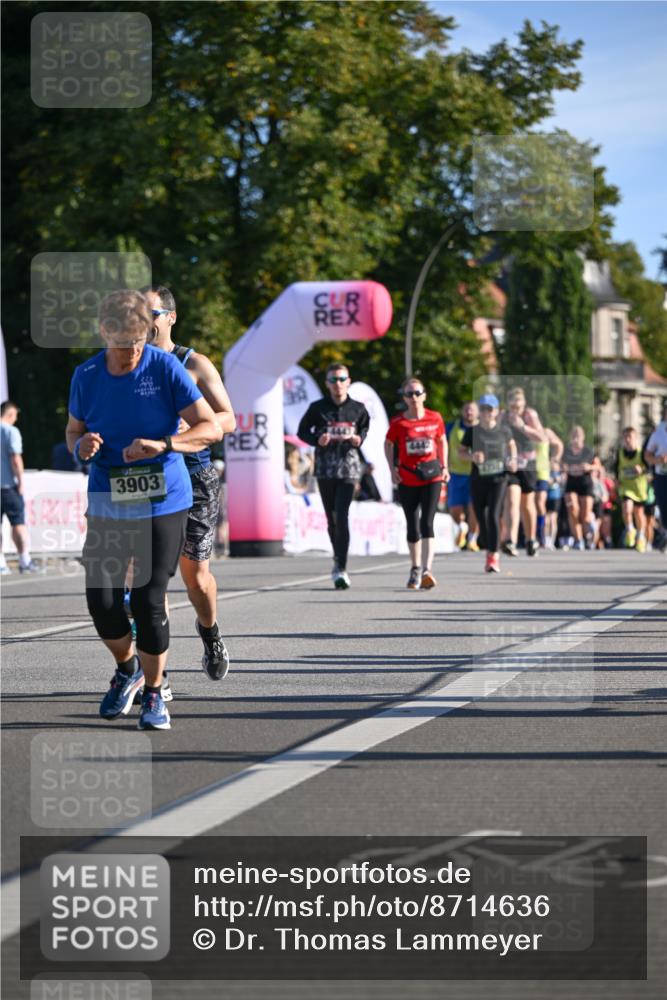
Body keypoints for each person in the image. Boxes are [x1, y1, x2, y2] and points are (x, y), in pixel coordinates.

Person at [65, 289, 221, 731]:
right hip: (109, 496)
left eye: (140, 340)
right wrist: (82, 445)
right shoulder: (87, 375)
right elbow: (73, 429)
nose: (134, 351)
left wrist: (167, 443)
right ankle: (128, 668)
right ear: (104, 332)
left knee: (151, 599)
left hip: (164, 495)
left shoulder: (166, 367)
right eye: (125, 342)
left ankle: (155, 694)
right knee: (102, 600)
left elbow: (210, 426)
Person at [142, 285, 235, 682]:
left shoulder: (193, 362)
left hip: (194, 475)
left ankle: (209, 631)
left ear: (171, 318)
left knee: (194, 576)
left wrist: (194, 426)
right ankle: (154, 675)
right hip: (147, 478)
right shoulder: (129, 365)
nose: (145, 322)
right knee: (150, 576)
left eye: (153, 314)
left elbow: (228, 417)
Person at [297, 363, 370, 589]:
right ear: (327, 384)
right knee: (331, 518)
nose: (337, 384)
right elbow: (302, 432)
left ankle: (341, 567)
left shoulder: (358, 408)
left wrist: (359, 439)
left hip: (348, 469)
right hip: (326, 469)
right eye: (333, 380)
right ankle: (338, 560)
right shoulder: (317, 408)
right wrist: (316, 440)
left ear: (348, 381)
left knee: (342, 515)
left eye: (341, 379)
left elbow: (364, 430)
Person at [384, 377, 448, 590]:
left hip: (432, 475)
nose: (414, 397)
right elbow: (388, 443)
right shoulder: (399, 423)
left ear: (424, 395)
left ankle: (428, 570)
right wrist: (391, 468)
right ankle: (415, 568)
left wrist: (444, 466)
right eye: (409, 394)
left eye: (417, 393)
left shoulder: (435, 418)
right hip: (407, 477)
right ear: (404, 398)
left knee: (427, 522)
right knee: (412, 525)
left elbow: (441, 441)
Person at [460, 394, 517, 573]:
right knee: (480, 516)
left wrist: (513, 460)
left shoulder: (504, 430)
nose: (486, 413)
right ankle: (489, 546)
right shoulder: (473, 431)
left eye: (489, 409)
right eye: (483, 409)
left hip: (499, 479)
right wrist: (471, 457)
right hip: (478, 479)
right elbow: (460, 452)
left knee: (493, 514)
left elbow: (512, 446)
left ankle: (493, 557)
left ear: (496, 412)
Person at [500, 387, 545, 558]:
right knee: (511, 500)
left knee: (527, 504)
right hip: (510, 464)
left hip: (527, 463)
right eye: (512, 407)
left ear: (524, 404)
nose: (515, 410)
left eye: (518, 407)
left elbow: (541, 437)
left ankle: (530, 539)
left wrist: (523, 426)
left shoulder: (529, 415)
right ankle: (510, 540)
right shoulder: (503, 416)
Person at [0, 400, 43, 574]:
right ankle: (25, 561)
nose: (15, 420)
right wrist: (21, 482)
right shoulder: (11, 431)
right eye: (15, 416)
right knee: (18, 523)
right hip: (9, 486)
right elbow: (15, 459)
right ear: (10, 414)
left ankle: (1, 564)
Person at [446, 401, 480, 551]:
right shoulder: (452, 427)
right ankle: (462, 526)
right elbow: (443, 445)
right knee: (455, 510)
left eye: (472, 410)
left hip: (476, 474)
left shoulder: (483, 428)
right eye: (466, 409)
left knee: (474, 508)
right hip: (456, 473)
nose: (469, 412)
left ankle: (472, 539)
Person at [615, 426, 649, 551]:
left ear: (635, 438)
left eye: (630, 437)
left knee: (639, 514)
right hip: (625, 487)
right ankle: (630, 529)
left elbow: (649, 467)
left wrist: (642, 470)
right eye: (625, 437)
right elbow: (616, 468)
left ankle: (641, 537)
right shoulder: (620, 453)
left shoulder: (641, 453)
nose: (627, 440)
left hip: (639, 488)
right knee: (626, 508)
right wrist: (616, 480)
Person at [562, 425, 596, 551]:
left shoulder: (588, 451)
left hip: (585, 483)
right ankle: (578, 539)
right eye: (573, 436)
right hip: (571, 483)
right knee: (572, 509)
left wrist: (589, 467)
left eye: (578, 436)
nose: (576, 439)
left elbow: (598, 466)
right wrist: (562, 468)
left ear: (583, 437)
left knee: (585, 515)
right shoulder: (566, 452)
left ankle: (590, 527)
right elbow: (560, 464)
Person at [534, 428, 563, 547]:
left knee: (550, 515)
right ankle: (540, 537)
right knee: (536, 508)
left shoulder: (544, 432)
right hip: (534, 475)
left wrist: (555, 459)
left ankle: (548, 539)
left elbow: (559, 444)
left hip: (550, 485)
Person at [644, 399, 667, 543]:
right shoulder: (658, 433)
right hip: (661, 475)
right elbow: (647, 455)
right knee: (664, 507)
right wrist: (658, 460)